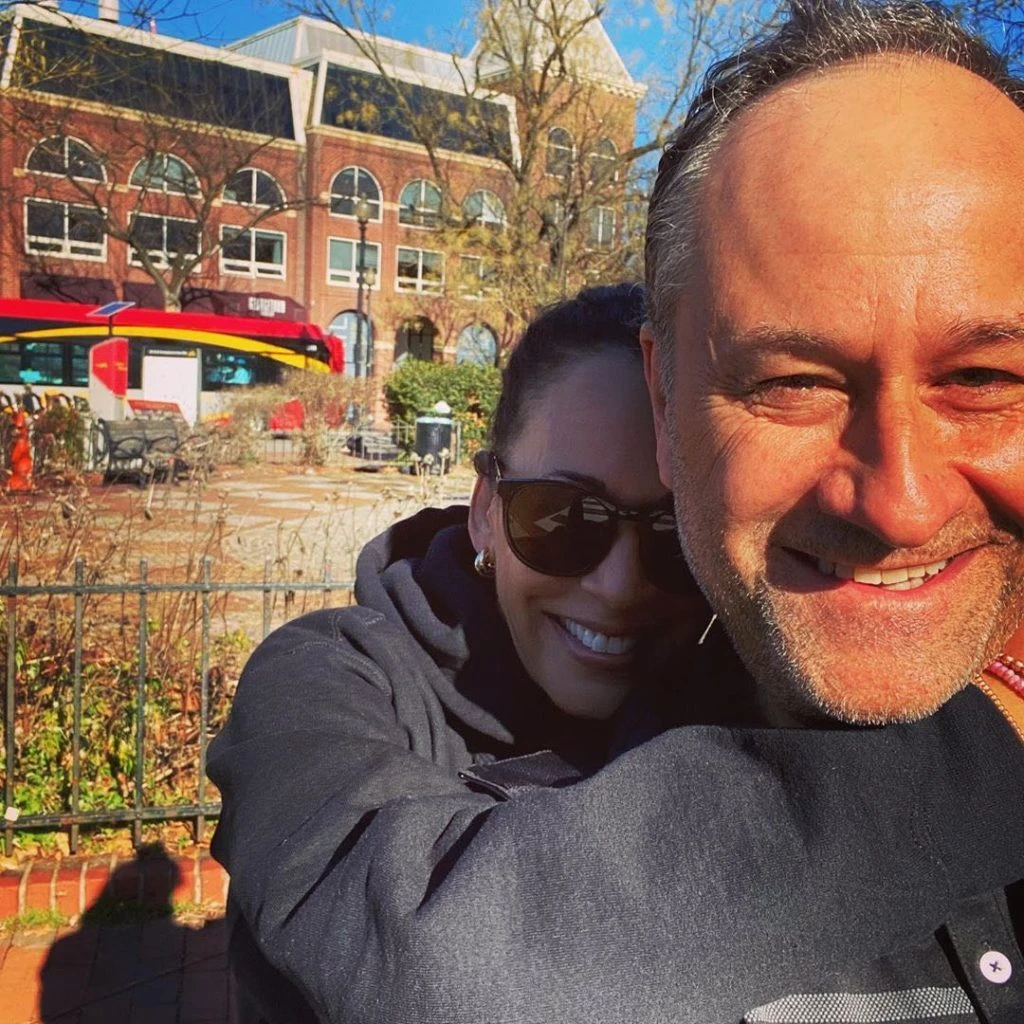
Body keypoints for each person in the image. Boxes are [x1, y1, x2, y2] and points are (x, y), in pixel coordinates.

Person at [210, 284, 1024, 1023]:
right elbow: (417, 965)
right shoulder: (326, 683)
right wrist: (993, 731)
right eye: (563, 518)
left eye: (670, 534)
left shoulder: (741, 682)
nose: (619, 585)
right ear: (486, 508)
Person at [640, 0, 1024, 1018]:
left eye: (984, 377)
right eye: (793, 383)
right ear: (661, 401)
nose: (901, 504)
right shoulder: (515, 832)